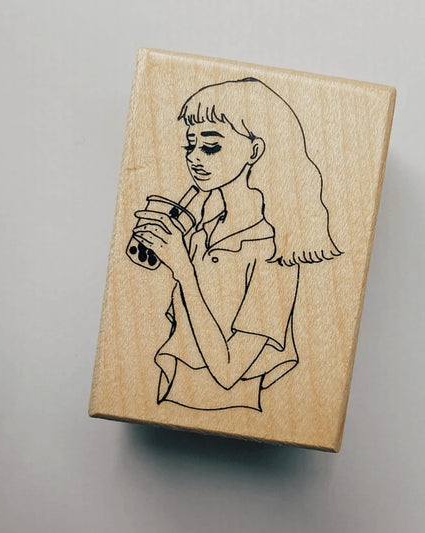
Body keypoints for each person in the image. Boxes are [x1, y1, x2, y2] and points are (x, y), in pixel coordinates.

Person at [133, 78, 341, 411]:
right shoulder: (203, 230)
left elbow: (228, 371)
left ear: (254, 151)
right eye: (190, 145)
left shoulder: (275, 250)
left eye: (210, 146)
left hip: (230, 410)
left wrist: (183, 269)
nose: (194, 158)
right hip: (168, 404)